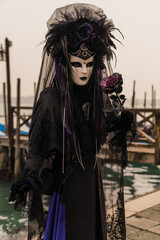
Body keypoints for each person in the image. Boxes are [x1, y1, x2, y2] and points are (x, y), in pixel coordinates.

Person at [9, 3, 136, 240]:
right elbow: (37, 147)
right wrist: (28, 178)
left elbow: (97, 131)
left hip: (91, 179)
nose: (84, 71)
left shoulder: (97, 95)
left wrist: (120, 123)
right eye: (77, 64)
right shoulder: (52, 100)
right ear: (65, 63)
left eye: (89, 64)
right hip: (69, 184)